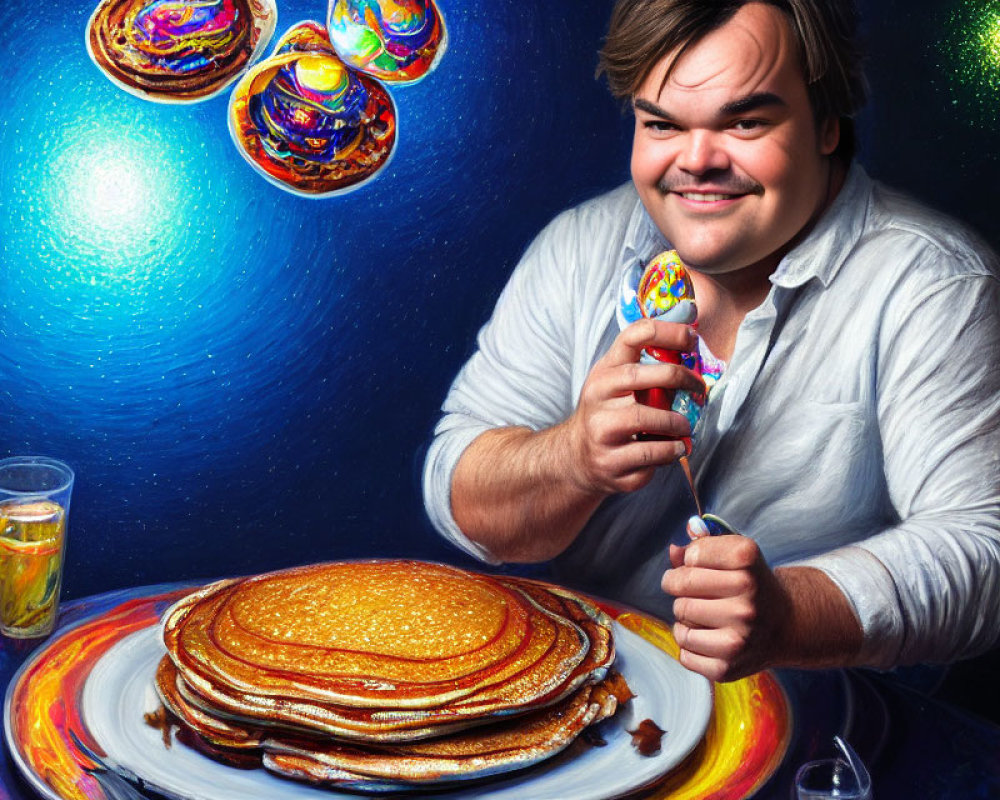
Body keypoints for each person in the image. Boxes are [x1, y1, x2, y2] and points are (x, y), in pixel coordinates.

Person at [422, 0, 1000, 682]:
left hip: (827, 746)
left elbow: (984, 554)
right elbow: (458, 493)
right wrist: (572, 457)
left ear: (826, 124)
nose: (696, 161)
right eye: (662, 124)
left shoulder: (935, 283)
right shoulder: (578, 247)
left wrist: (789, 613)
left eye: (745, 121)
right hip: (604, 713)